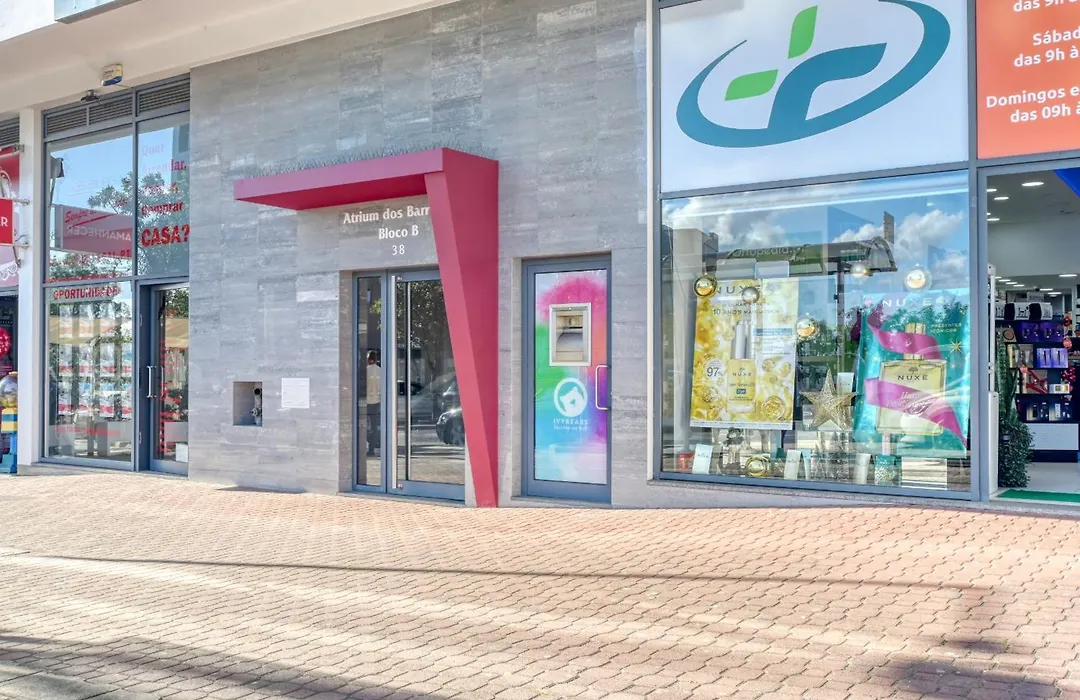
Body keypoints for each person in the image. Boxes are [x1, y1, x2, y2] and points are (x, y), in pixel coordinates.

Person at [366, 351, 381, 456]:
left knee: (363, 425)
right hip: (376, 402)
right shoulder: (381, 371)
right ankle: (371, 448)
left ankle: (365, 445)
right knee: (374, 425)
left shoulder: (364, 371)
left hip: (365, 401)